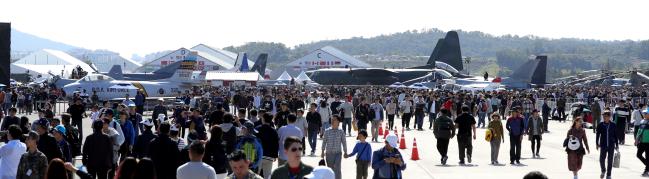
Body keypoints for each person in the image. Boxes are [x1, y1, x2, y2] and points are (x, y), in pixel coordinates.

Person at [321, 114, 347, 179]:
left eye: (334, 120)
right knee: (330, 169)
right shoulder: (327, 131)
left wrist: (345, 152)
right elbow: (324, 142)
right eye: (332, 119)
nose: (332, 121)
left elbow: (344, 142)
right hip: (329, 154)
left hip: (338, 153)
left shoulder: (341, 132)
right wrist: (322, 151)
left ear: (338, 122)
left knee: (337, 168)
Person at [254, 113, 279, 179]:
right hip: (269, 156)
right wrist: (275, 155)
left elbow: (254, 141)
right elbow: (276, 144)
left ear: (263, 119)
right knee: (267, 175)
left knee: (256, 175)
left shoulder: (257, 128)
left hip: (258, 155)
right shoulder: (273, 131)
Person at [596, 110, 618, 179]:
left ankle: (609, 175)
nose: (604, 117)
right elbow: (597, 134)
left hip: (611, 145)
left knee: (610, 161)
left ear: (609, 117)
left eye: (606, 116)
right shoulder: (600, 125)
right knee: (601, 159)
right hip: (603, 145)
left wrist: (617, 145)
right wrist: (597, 143)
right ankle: (603, 170)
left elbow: (615, 135)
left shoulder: (613, 125)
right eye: (603, 116)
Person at [636, 108, 649, 176]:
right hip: (642, 141)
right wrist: (636, 140)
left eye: (646, 113)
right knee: (638, 155)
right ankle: (648, 165)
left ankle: (646, 170)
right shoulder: (642, 121)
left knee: (648, 156)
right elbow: (639, 131)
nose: (644, 114)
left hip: (648, 142)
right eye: (644, 113)